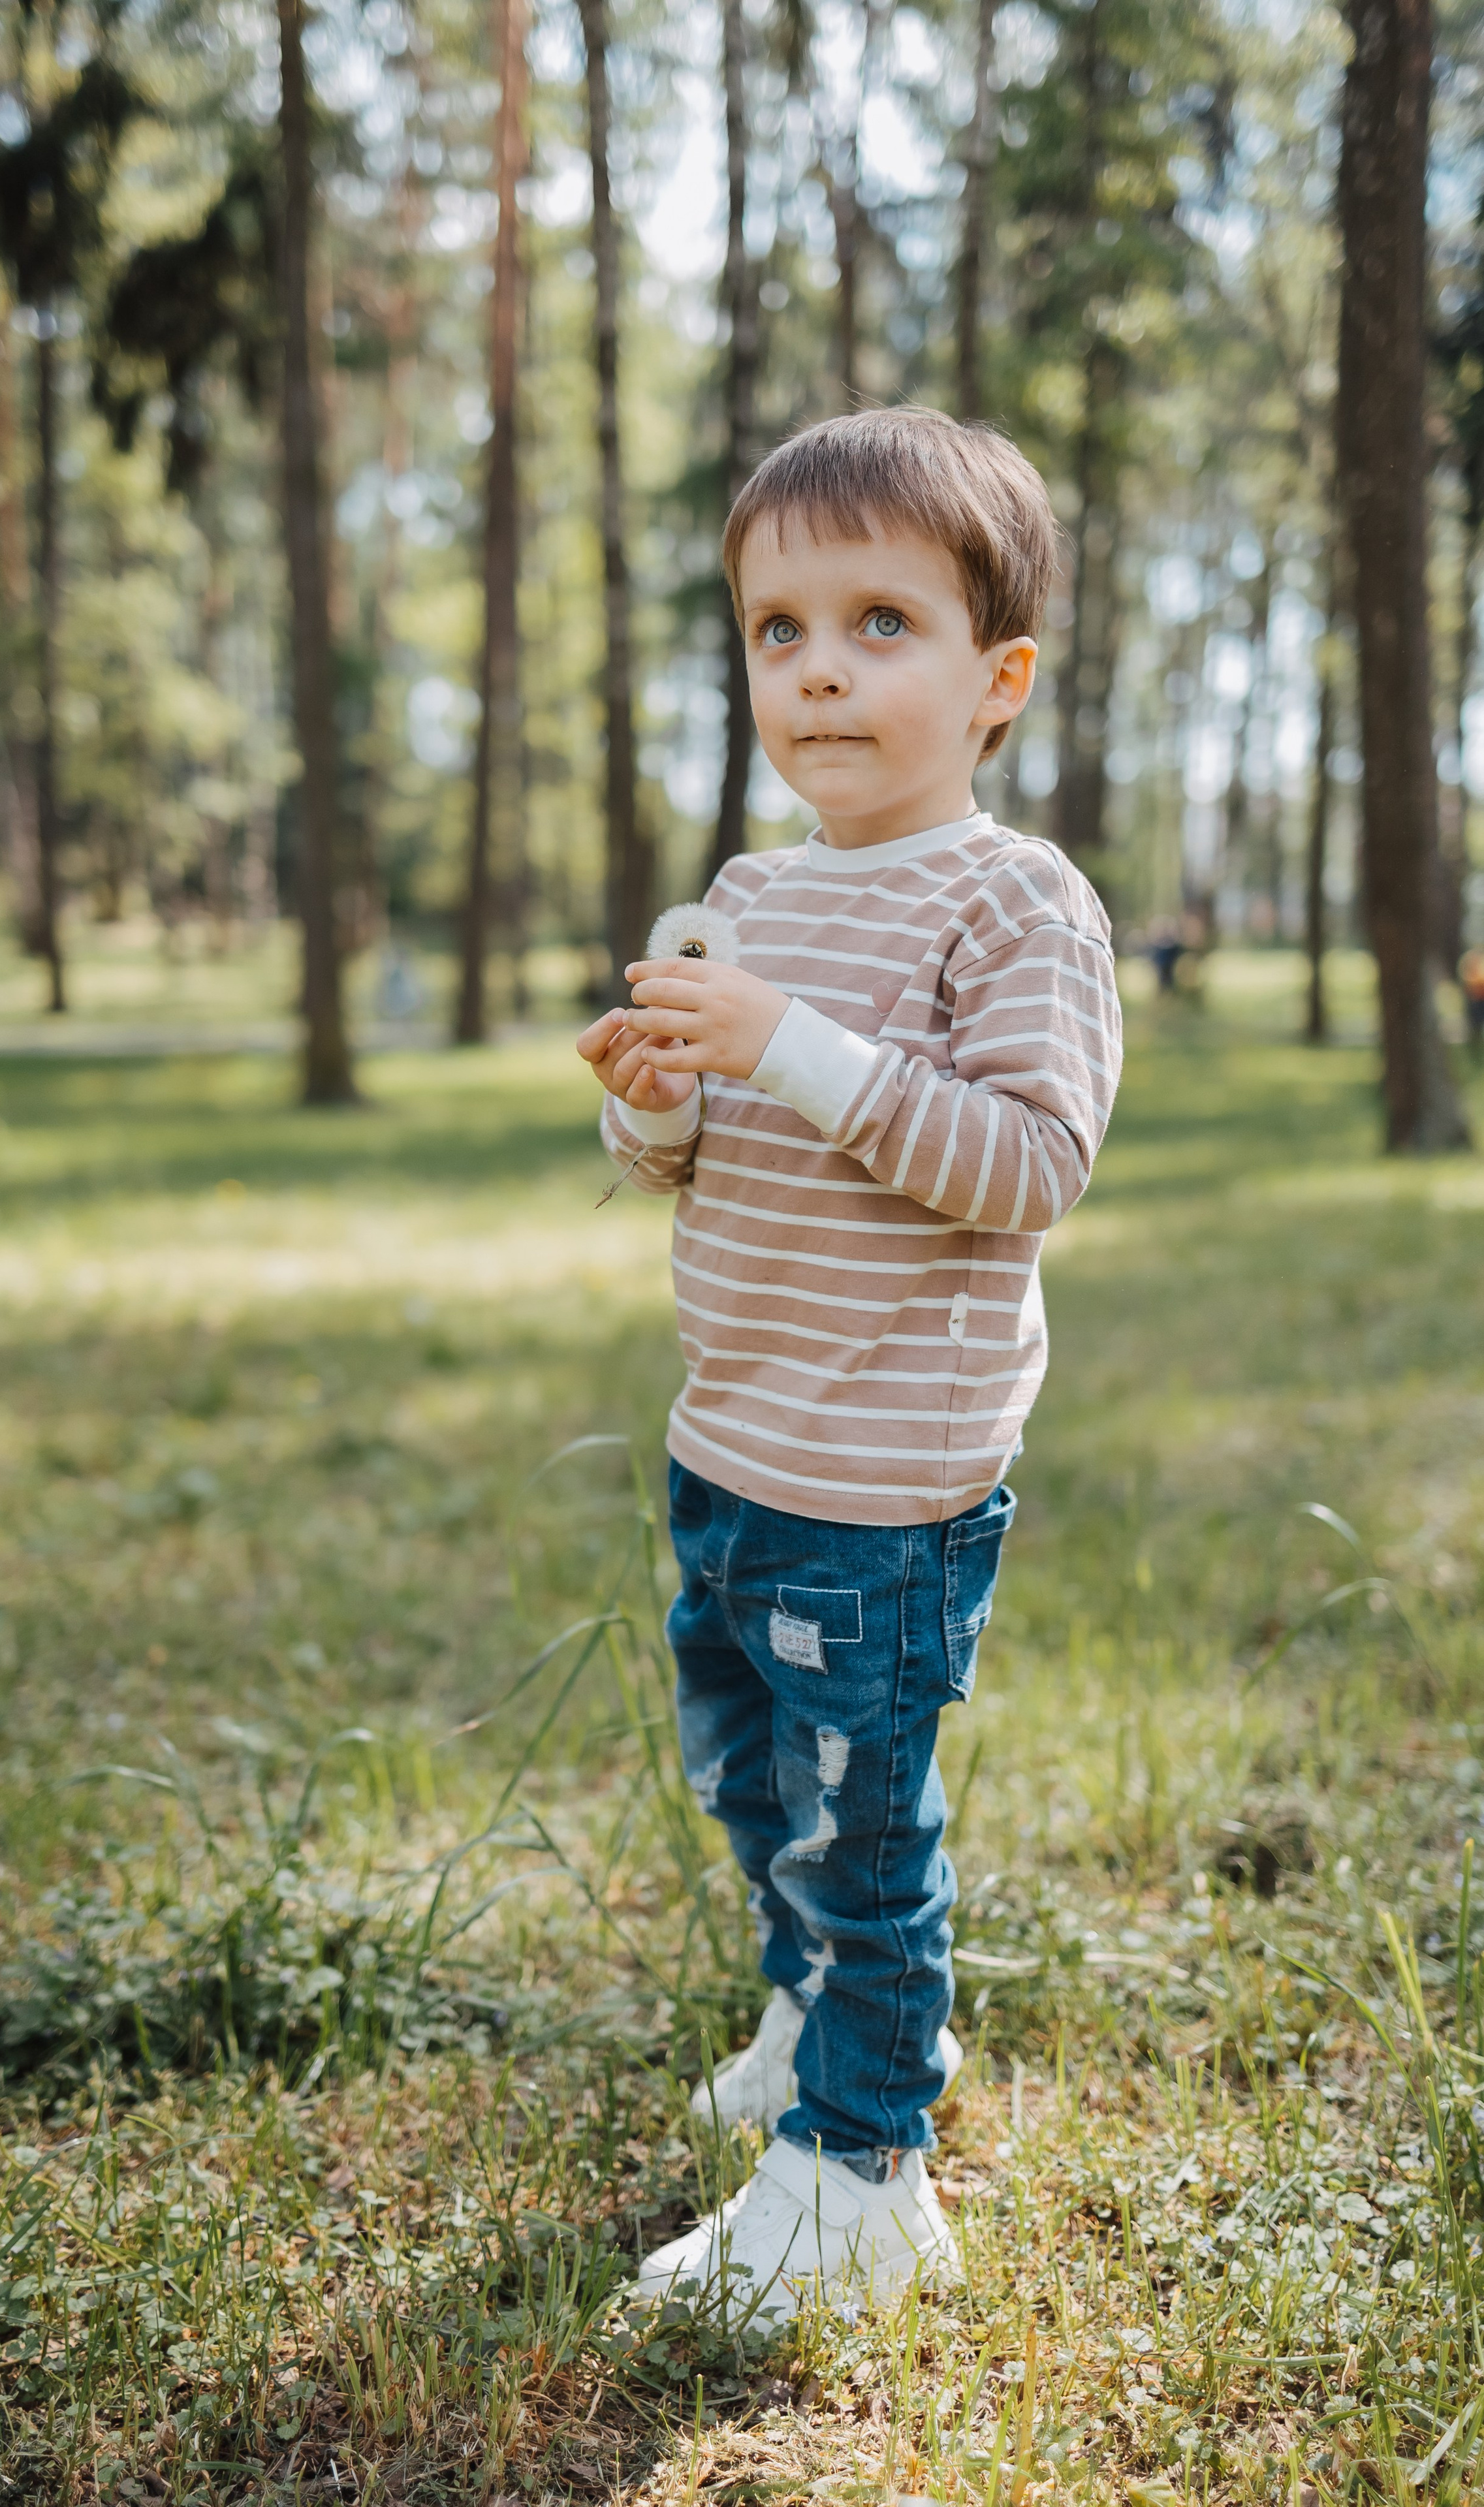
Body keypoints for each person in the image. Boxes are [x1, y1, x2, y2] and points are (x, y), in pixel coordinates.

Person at [576, 407, 1123, 2324]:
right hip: (727, 1444)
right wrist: (656, 1103)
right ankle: (811, 2011)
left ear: (997, 679)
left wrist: (786, 1042)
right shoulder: (750, 893)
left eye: (880, 621)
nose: (819, 668)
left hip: (879, 1487)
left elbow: (1029, 1171)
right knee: (757, 1783)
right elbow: (700, 1161)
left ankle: (863, 2176)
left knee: (864, 1825)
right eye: (778, 628)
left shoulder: (1015, 903)